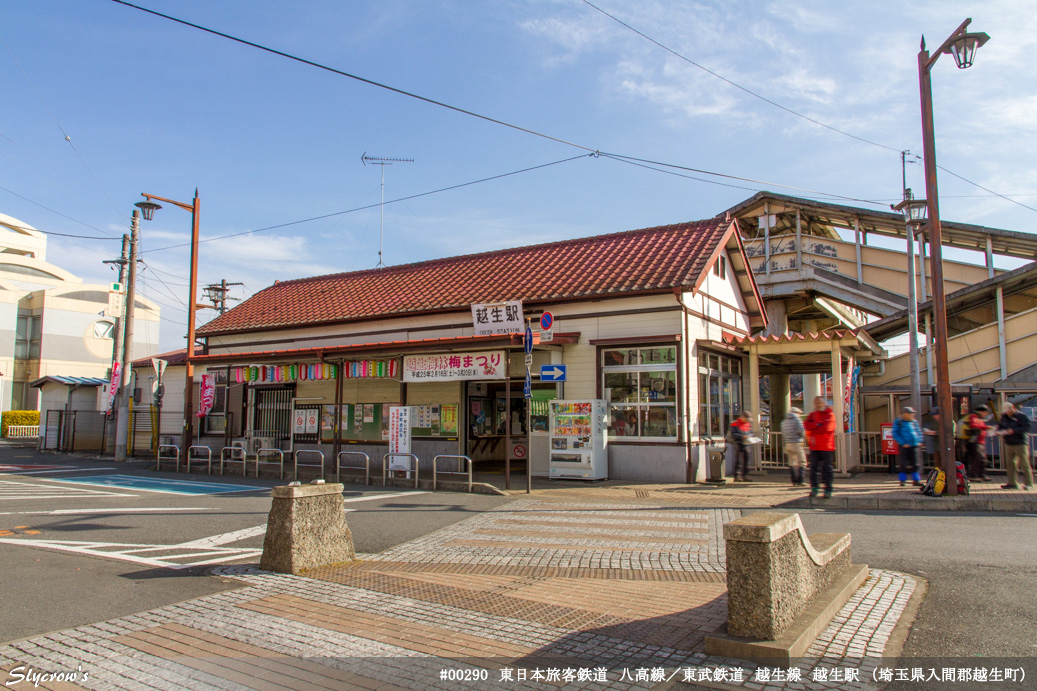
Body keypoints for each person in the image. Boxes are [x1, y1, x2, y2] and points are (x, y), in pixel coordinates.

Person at [804, 396, 836, 498]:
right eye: (816, 403)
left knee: (827, 469)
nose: (817, 405)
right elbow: (806, 425)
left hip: (827, 446)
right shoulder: (812, 415)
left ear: (824, 403)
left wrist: (814, 426)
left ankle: (828, 489)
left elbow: (826, 428)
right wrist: (818, 424)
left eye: (819, 403)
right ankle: (814, 488)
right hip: (814, 446)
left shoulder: (830, 415)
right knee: (813, 469)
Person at [996, 402, 1033, 490]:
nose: (1007, 413)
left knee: (1025, 464)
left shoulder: (1021, 416)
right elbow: (1001, 426)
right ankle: (1012, 483)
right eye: (1005, 411)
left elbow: (1026, 428)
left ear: (1012, 408)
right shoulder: (1004, 417)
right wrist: (998, 431)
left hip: (1020, 442)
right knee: (1010, 464)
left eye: (1008, 411)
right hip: (1009, 443)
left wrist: (1014, 430)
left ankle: (1029, 484)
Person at [892, 407, 923, 487]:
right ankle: (902, 480)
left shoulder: (914, 422)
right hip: (904, 446)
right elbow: (895, 433)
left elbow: (918, 431)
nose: (912, 415)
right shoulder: (899, 422)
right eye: (910, 413)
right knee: (903, 464)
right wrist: (902, 442)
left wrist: (919, 440)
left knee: (915, 464)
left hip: (914, 445)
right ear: (905, 414)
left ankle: (916, 480)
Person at [962, 405, 992, 481]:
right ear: (980, 411)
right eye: (985, 413)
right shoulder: (974, 416)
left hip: (980, 441)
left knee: (982, 459)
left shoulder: (979, 418)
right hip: (975, 441)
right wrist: (986, 428)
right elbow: (974, 425)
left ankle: (982, 474)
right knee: (977, 459)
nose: (985, 414)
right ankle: (974, 476)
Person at [781, 407, 806, 486]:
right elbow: (801, 431)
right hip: (797, 442)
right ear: (796, 413)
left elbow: (783, 432)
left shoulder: (784, 421)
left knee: (792, 462)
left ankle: (794, 481)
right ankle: (800, 481)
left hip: (788, 443)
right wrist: (802, 437)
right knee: (802, 462)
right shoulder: (797, 420)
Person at [728, 410, 753, 482]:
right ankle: (737, 476)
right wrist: (742, 436)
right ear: (743, 417)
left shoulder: (748, 424)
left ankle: (745, 475)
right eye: (746, 419)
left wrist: (751, 436)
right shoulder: (735, 424)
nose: (747, 421)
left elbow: (750, 432)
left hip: (746, 443)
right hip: (738, 443)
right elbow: (733, 434)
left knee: (747, 461)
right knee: (738, 460)